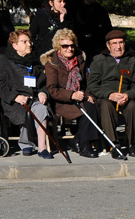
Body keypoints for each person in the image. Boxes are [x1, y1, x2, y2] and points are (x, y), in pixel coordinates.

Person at [41, 28, 100, 158]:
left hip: (80, 96)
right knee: (87, 110)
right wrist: (71, 95)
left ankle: (76, 141)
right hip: (62, 101)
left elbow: (88, 82)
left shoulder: (80, 60)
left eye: (72, 45)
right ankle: (85, 145)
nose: (69, 49)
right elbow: (52, 89)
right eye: (65, 46)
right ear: (58, 47)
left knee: (94, 105)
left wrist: (89, 95)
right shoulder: (52, 63)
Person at [0, 30, 52, 158]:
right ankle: (26, 144)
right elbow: (1, 86)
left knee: (41, 109)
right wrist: (15, 97)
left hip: (33, 97)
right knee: (24, 112)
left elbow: (42, 83)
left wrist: (43, 93)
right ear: (14, 45)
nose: (29, 44)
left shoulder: (34, 62)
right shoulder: (3, 61)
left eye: (29, 41)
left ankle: (42, 148)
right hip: (14, 99)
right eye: (24, 42)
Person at [87, 29, 135, 158]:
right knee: (106, 106)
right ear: (108, 46)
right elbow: (92, 85)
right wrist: (109, 94)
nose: (118, 46)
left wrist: (128, 95)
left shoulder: (133, 61)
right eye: (114, 43)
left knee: (133, 106)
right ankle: (114, 144)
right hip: (105, 96)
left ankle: (133, 143)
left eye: (121, 42)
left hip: (125, 96)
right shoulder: (99, 60)